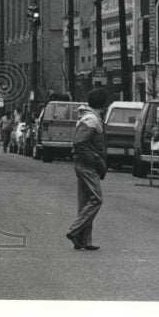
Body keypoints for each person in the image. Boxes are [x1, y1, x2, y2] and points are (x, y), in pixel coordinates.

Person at [65, 88, 111, 251]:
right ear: (103, 104)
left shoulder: (88, 116)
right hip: (87, 164)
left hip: (82, 163)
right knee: (96, 199)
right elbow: (79, 143)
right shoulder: (92, 119)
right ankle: (74, 230)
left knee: (85, 201)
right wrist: (96, 160)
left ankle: (83, 240)